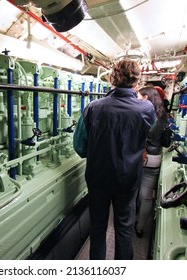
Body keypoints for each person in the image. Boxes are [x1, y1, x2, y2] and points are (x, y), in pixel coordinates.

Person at [73, 59, 155, 260]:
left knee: (98, 228)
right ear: (137, 82)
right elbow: (147, 136)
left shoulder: (93, 108)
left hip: (99, 178)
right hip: (128, 179)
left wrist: (95, 154)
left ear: (111, 79)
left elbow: (80, 146)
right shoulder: (146, 109)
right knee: (124, 228)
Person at [135, 86, 170, 238]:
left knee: (136, 192)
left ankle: (133, 221)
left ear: (146, 98)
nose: (137, 99)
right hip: (154, 159)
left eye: (139, 97)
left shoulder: (144, 115)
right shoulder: (163, 116)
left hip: (140, 159)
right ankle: (140, 227)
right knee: (146, 196)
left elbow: (143, 136)